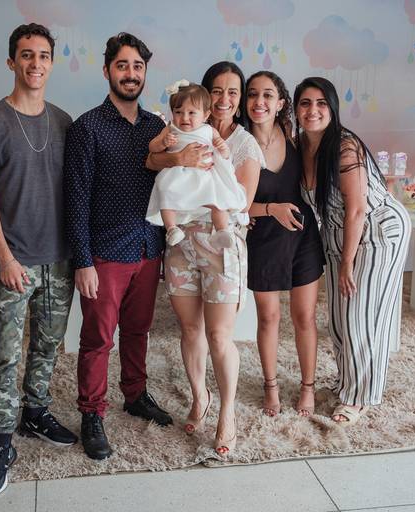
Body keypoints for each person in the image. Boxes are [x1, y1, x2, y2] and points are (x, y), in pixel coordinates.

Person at [0, 23, 77, 496]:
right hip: (13, 259)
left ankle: (35, 411)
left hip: (59, 259)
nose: (36, 63)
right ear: (12, 61)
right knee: (4, 354)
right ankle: (0, 442)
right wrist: (5, 257)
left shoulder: (64, 122)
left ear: (52, 63)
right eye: (27, 55)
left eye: (44, 55)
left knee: (48, 347)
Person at [64, 32, 174, 461]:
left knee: (137, 330)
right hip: (105, 253)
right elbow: (75, 199)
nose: (131, 74)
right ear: (107, 70)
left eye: (138, 66)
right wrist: (83, 261)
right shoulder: (87, 127)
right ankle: (92, 413)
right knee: (97, 339)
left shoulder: (157, 128)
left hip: (148, 247)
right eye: (123, 65)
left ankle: (135, 394)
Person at [147, 61, 261, 456]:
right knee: (190, 328)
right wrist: (180, 158)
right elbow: (151, 161)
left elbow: (241, 203)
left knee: (218, 335)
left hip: (221, 242)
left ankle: (227, 413)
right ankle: (200, 395)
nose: (225, 98)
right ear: (205, 96)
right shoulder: (181, 130)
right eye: (218, 90)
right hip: (180, 241)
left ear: (238, 99)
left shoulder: (243, 143)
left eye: (233, 92)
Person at [294, 77, 411, 425]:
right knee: (338, 319)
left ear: (332, 108)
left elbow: (357, 209)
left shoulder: (345, 146)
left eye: (321, 103)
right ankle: (347, 382)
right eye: (305, 103)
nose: (313, 110)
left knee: (360, 317)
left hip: (376, 232)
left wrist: (347, 263)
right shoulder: (300, 145)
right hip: (336, 233)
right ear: (296, 109)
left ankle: (360, 397)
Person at [244, 71, 325, 417]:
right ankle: (271, 385)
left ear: (280, 103)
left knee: (305, 315)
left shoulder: (294, 136)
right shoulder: (238, 143)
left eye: (267, 95)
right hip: (263, 240)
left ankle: (308, 386)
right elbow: (231, 204)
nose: (259, 102)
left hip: (302, 236)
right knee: (269, 317)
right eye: (252, 94)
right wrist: (268, 209)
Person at [145, 80, 246, 249]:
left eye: (191, 112)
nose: (184, 118)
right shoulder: (170, 128)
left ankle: (221, 231)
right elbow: (152, 147)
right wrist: (163, 142)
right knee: (165, 192)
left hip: (204, 175)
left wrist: (222, 148)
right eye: (178, 112)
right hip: (177, 174)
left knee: (218, 202)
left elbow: (224, 153)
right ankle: (172, 228)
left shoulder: (209, 130)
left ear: (205, 115)